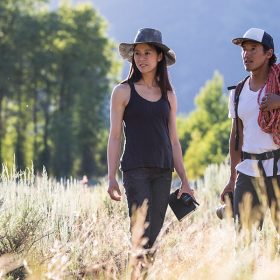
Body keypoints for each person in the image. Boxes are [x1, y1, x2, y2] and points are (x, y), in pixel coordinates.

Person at [107, 28, 194, 249]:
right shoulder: (122, 91)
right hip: (135, 170)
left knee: (153, 236)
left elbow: (174, 140)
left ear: (159, 56)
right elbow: (115, 137)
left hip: (163, 172)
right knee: (140, 232)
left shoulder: (169, 96)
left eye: (147, 53)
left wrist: (184, 180)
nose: (141, 58)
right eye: (137, 53)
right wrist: (111, 177)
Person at [220, 28, 280, 230]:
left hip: (278, 169)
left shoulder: (278, 85)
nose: (246, 54)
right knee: (245, 241)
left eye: (253, 49)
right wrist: (232, 179)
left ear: (269, 53)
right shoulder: (237, 92)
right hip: (247, 173)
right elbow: (236, 136)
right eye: (244, 50)